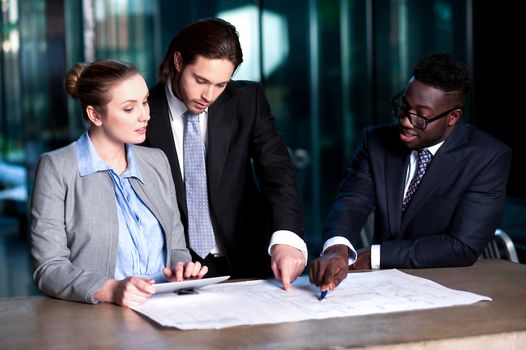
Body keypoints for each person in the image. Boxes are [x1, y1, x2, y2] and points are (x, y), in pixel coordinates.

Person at [309, 52, 512, 291]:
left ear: (452, 117)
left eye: (421, 117)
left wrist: (374, 256)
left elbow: (461, 246)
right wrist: (337, 248)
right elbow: (352, 201)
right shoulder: (375, 141)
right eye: (404, 108)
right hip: (379, 287)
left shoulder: (487, 157)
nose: (406, 121)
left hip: (447, 288)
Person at [144, 17, 306, 289]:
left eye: (221, 85)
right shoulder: (142, 113)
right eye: (200, 80)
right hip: (177, 272)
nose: (208, 95)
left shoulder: (247, 101)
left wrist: (287, 240)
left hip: (250, 259)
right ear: (178, 61)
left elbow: (277, 171)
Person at [30, 60, 207, 307]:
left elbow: (177, 248)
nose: (145, 115)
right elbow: (48, 268)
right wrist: (111, 290)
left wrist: (182, 268)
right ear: (95, 115)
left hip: (166, 310)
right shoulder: (56, 167)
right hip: (100, 319)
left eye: (145, 102)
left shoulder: (156, 161)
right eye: (129, 108)